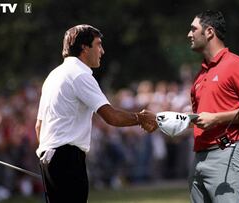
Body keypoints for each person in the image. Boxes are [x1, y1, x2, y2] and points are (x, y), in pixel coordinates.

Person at [35, 24, 157, 203]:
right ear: (84, 47)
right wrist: (141, 118)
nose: (102, 51)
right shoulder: (80, 75)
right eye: (98, 44)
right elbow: (111, 116)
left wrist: (49, 162)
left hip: (50, 157)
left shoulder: (53, 75)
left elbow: (39, 127)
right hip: (67, 158)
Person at [186, 11, 239, 203]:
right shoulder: (200, 75)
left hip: (228, 153)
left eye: (193, 29)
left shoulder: (236, 65)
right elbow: (203, 119)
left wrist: (217, 118)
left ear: (209, 32)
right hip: (199, 157)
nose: (189, 34)